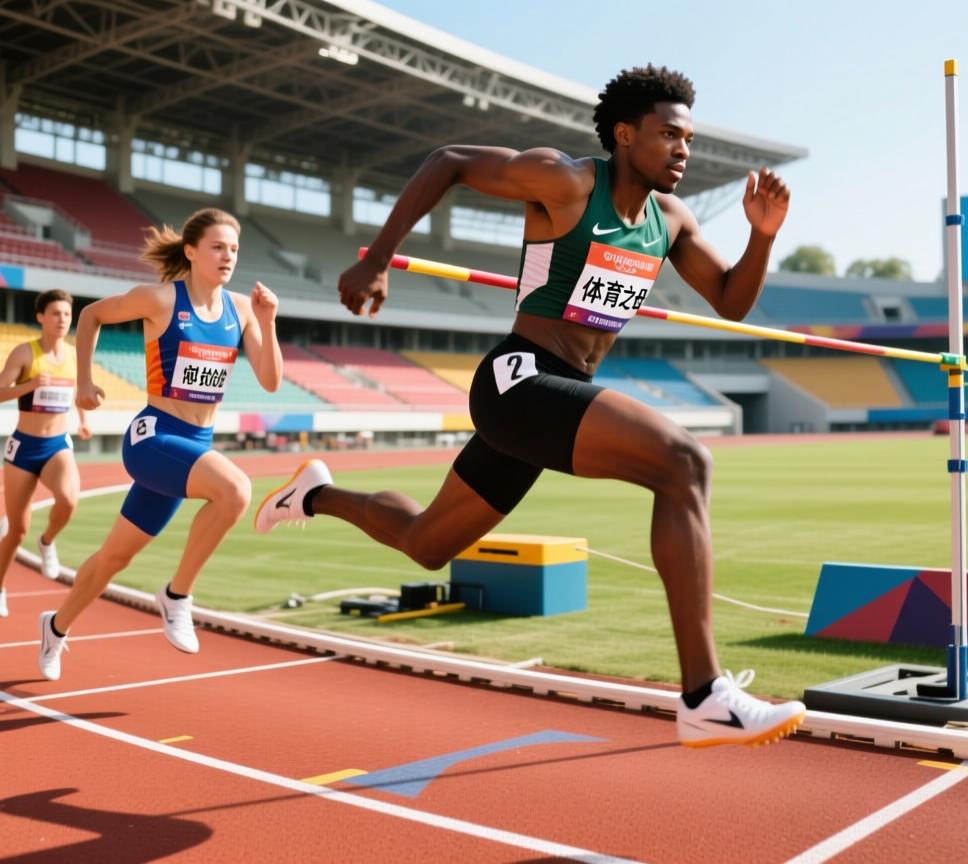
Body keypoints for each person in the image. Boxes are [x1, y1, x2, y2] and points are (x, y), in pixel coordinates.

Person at [255, 64, 805, 747]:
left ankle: (315, 494)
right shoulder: (568, 182)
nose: (683, 151)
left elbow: (729, 299)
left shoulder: (669, 220)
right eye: (668, 136)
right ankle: (703, 694)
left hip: (554, 398)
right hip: (518, 381)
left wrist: (763, 234)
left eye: (687, 138)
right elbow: (449, 160)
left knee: (429, 544)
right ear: (626, 135)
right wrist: (380, 259)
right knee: (683, 462)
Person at [37, 208, 282, 680]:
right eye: (217, 247)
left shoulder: (243, 309)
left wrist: (268, 322)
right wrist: (83, 384)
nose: (227, 256)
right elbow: (90, 316)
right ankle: (176, 595)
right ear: (191, 252)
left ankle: (56, 628)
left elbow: (270, 381)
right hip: (154, 436)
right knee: (235, 490)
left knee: (114, 557)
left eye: (233, 249)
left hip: (193, 444)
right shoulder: (161, 299)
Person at [0, 290, 92, 617]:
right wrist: (30, 384)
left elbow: (80, 391)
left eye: (67, 314)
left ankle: (48, 541)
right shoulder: (25, 353)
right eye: (55, 313)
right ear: (41, 317)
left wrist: (83, 420)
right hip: (24, 447)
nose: (62, 319)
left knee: (68, 499)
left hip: (56, 445)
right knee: (16, 531)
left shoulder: (74, 355)